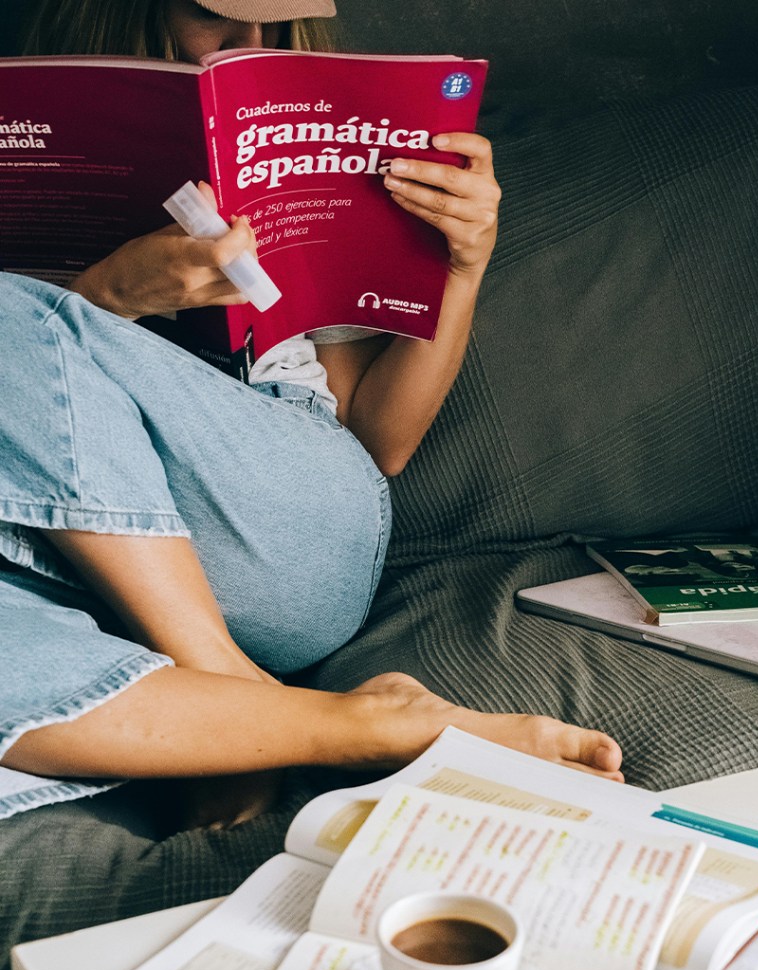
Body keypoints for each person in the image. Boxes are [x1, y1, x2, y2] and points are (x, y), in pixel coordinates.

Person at [0, 0, 623, 829]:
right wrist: (109, 298)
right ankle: (316, 726)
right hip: (60, 568)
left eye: (280, 23)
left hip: (279, 535)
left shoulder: (297, 143)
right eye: (216, 18)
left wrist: (462, 266)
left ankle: (219, 680)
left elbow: (380, 442)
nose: (253, 44)